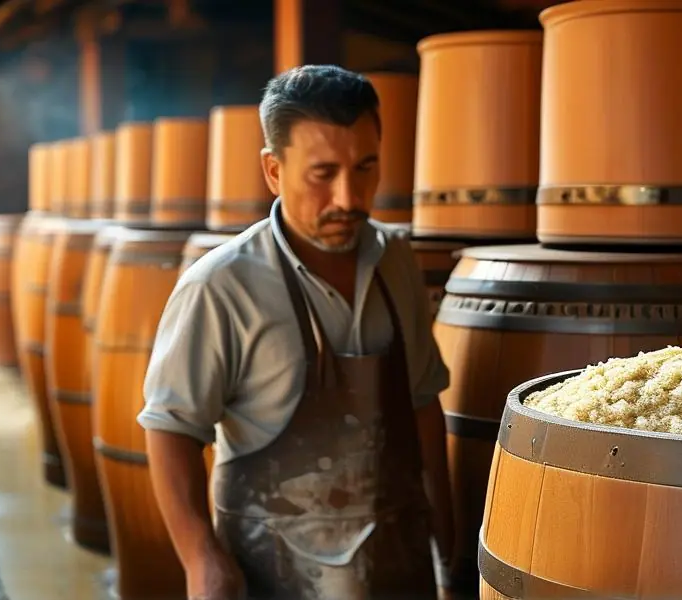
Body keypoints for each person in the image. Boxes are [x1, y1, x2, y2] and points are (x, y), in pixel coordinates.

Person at [138, 64, 454, 600]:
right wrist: (201, 560)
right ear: (273, 171)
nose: (349, 198)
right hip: (274, 573)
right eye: (323, 173)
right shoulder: (221, 285)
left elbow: (422, 403)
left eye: (366, 167)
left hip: (400, 571)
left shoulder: (396, 260)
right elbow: (171, 428)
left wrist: (449, 545)